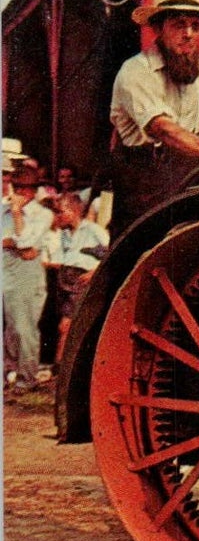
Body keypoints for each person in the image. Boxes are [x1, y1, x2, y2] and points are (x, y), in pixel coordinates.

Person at [109, 0, 199, 235]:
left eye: (195, 26)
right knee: (137, 256)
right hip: (143, 185)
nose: (189, 34)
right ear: (159, 29)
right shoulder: (135, 71)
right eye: (179, 25)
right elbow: (163, 129)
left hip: (191, 178)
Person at [41, 191, 108, 362]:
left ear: (74, 211)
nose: (58, 216)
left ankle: (60, 367)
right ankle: (61, 365)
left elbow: (111, 253)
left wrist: (93, 273)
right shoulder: (64, 234)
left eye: (61, 212)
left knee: (66, 325)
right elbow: (61, 258)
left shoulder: (93, 230)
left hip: (80, 281)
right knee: (63, 325)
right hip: (64, 280)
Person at [3, 160, 51, 395]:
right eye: (18, 187)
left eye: (26, 188)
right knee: (9, 328)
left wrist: (16, 220)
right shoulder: (3, 211)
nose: (22, 192)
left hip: (27, 276)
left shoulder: (42, 215)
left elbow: (26, 246)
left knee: (25, 328)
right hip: (6, 271)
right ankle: (6, 374)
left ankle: (27, 377)